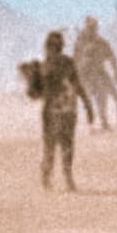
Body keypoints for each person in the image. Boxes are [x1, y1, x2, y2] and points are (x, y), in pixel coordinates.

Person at [23, 31, 84, 190]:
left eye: (55, 46)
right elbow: (34, 93)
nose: (53, 49)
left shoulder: (50, 66)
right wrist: (30, 77)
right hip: (60, 111)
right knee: (58, 145)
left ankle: (57, 178)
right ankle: (53, 178)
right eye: (53, 46)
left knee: (60, 145)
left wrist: (87, 104)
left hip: (64, 111)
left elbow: (34, 94)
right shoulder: (47, 66)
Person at [73, 14, 117, 129]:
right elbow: (75, 59)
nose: (93, 30)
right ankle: (92, 124)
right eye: (90, 27)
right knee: (90, 98)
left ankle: (104, 122)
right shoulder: (80, 42)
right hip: (85, 74)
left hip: (99, 73)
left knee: (104, 96)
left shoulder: (100, 42)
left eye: (94, 27)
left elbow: (112, 57)